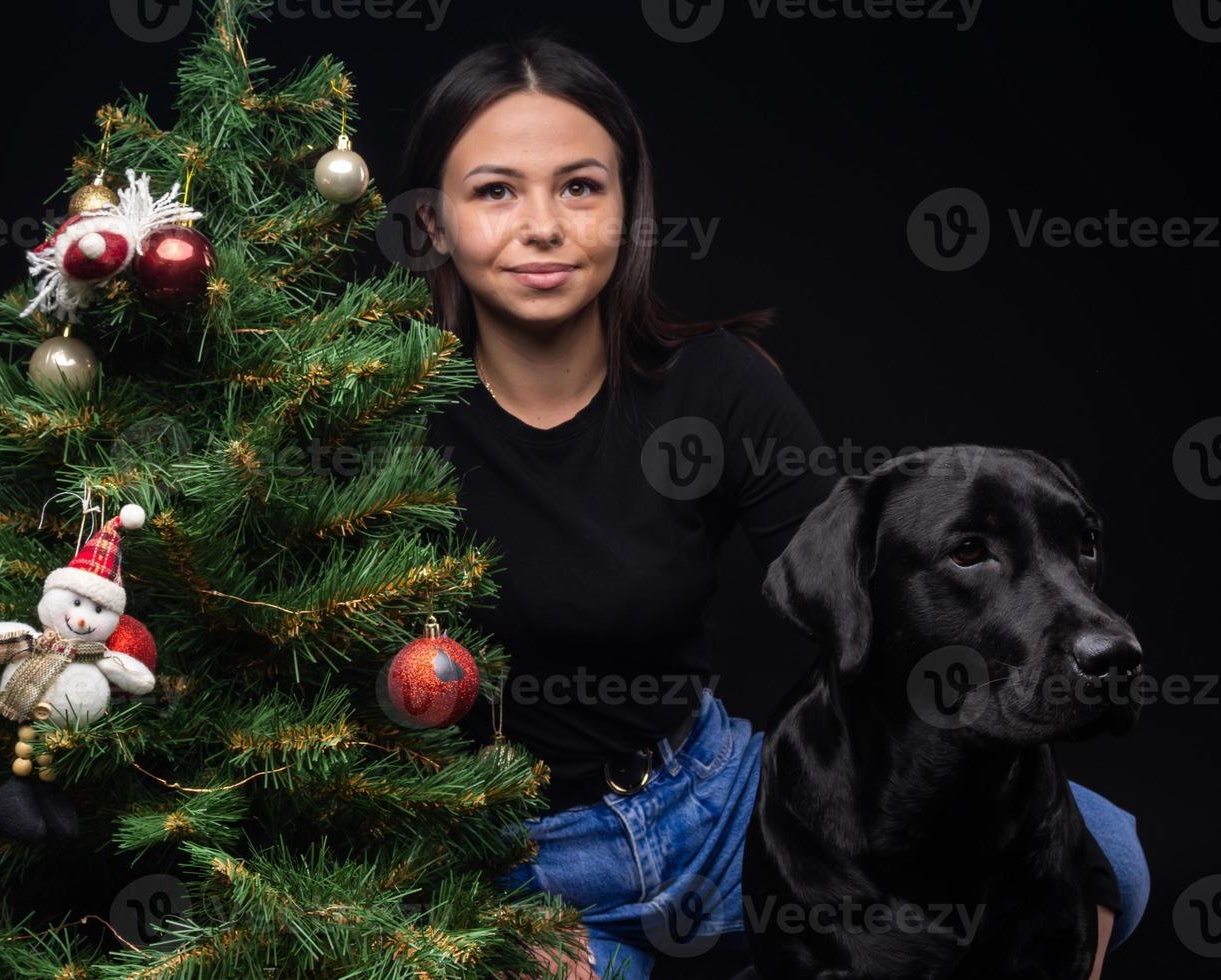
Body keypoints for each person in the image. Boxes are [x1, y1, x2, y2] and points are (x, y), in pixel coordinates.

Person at [402, 34, 1149, 979]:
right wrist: (467, 900)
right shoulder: (386, 410)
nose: (543, 225)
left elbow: (865, 587)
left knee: (1107, 851)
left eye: (581, 187)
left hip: (711, 805)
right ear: (431, 223)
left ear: (630, 211)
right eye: (496, 190)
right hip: (517, 851)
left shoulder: (716, 386)